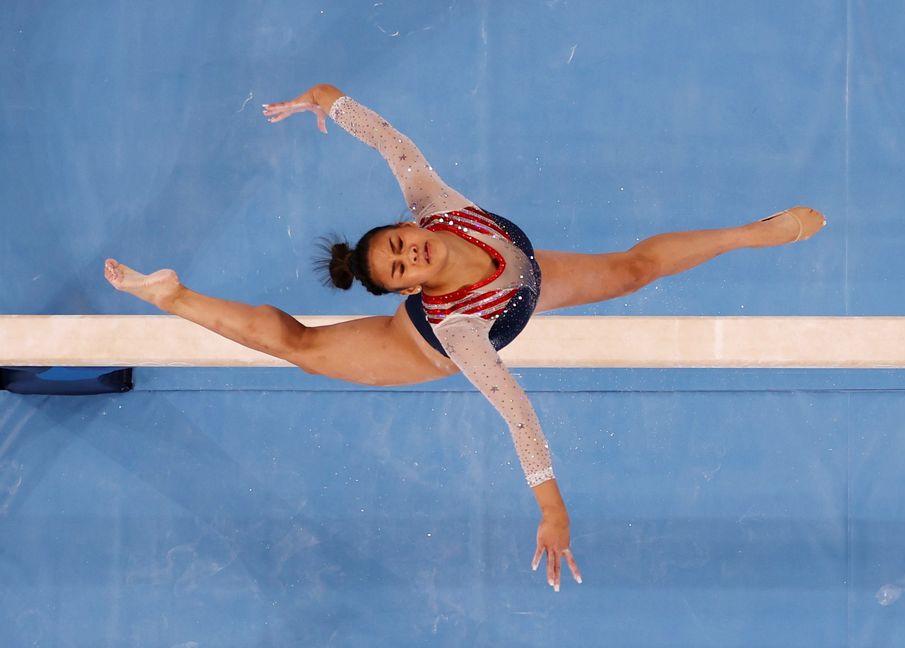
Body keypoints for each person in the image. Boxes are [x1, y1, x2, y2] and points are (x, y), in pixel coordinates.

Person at [104, 83, 826, 592]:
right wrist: (551, 507)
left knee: (634, 269)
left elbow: (387, 139)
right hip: (424, 346)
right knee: (301, 346)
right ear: (408, 292)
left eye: (397, 243)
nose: (406, 254)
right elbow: (514, 411)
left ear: (409, 224)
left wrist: (323, 99)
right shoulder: (456, 327)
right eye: (396, 269)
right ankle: (174, 296)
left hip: (527, 279)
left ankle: (746, 233)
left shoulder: (436, 202)